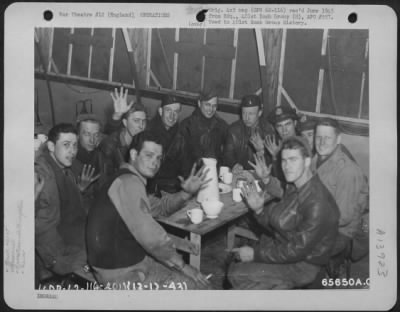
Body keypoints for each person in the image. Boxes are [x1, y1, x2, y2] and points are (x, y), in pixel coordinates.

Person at [86, 131, 212, 289]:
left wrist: (185, 194)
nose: (155, 162)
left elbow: (159, 207)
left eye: (158, 158)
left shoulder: (125, 178)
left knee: (189, 281)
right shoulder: (129, 183)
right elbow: (151, 237)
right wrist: (183, 266)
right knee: (195, 286)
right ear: (133, 154)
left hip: (126, 260)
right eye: (149, 155)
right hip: (120, 272)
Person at [228, 136, 339, 289]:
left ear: (307, 162)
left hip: (304, 265)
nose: (287, 166)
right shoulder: (294, 186)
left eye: (293, 160)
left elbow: (296, 250)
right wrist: (260, 210)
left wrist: (255, 254)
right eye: (284, 160)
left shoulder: (317, 202)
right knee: (236, 269)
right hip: (285, 246)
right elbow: (282, 225)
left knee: (236, 274)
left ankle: (280, 291)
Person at [35, 123, 94, 283]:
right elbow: (40, 226)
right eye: (66, 145)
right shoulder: (42, 174)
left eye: (75, 145)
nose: (72, 151)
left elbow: (70, 207)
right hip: (53, 253)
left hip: (66, 237)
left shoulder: (64, 169)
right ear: (51, 146)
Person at [312, 118, 369, 259]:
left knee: (301, 253)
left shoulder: (347, 170)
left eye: (327, 138)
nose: (321, 142)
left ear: (338, 139)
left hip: (340, 231)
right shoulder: (315, 160)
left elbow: (343, 217)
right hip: (319, 220)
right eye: (318, 137)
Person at [174, 89, 228, 177]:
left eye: (214, 106)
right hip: (192, 176)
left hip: (214, 175)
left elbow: (227, 153)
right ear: (199, 103)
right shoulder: (187, 125)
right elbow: (180, 158)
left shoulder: (222, 125)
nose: (211, 109)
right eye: (207, 105)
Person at [99, 86, 147, 177]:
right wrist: (117, 115)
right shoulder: (110, 146)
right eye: (136, 121)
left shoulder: (143, 142)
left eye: (144, 121)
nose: (141, 126)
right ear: (125, 122)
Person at [223, 94, 275, 172]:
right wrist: (233, 164)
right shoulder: (233, 130)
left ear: (260, 112)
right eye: (244, 113)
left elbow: (273, 164)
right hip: (239, 173)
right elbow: (227, 154)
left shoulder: (269, 130)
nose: (246, 118)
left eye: (251, 114)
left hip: (261, 175)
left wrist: (261, 151)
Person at [146, 94, 183, 195]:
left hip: (174, 189)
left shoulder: (181, 134)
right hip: (152, 191)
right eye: (168, 110)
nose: (172, 116)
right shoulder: (148, 132)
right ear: (160, 111)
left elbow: (185, 164)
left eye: (176, 111)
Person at [265, 105, 299, 182]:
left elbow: (288, 182)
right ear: (275, 128)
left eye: (288, 124)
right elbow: (271, 175)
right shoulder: (274, 143)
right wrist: (260, 151)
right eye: (279, 126)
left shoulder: (302, 144)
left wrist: (276, 157)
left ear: (295, 123)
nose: (284, 130)